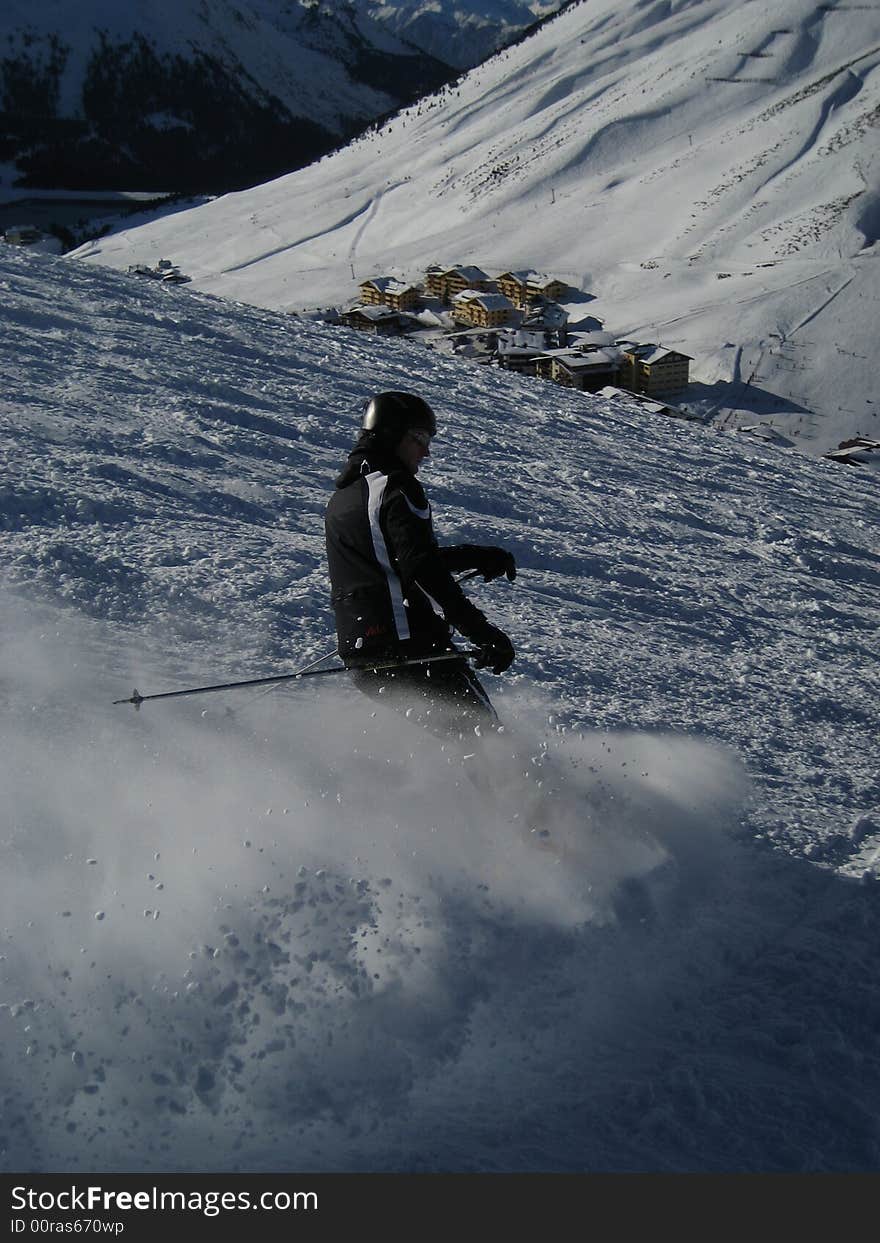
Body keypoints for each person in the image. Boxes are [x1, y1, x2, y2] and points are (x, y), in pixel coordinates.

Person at [324, 390, 517, 740]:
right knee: (489, 743)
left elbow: (394, 561)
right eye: (421, 438)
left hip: (364, 655)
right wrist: (481, 632)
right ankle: (529, 797)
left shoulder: (345, 497)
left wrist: (476, 557)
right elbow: (422, 568)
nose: (426, 451)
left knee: (461, 743)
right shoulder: (397, 487)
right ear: (393, 433)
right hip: (410, 646)